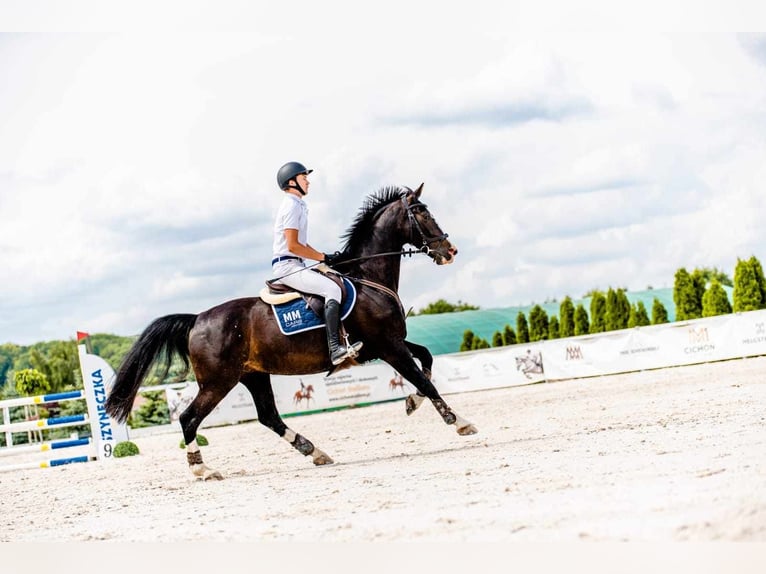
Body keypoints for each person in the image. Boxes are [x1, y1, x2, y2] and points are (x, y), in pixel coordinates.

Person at [271, 161, 363, 365]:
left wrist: (326, 256)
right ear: (292, 181)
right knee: (332, 289)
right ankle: (334, 348)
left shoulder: (298, 204)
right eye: (304, 178)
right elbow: (293, 246)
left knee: (335, 278)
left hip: (296, 263)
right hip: (288, 266)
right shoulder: (291, 205)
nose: (308, 182)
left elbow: (301, 243)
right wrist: (322, 257)